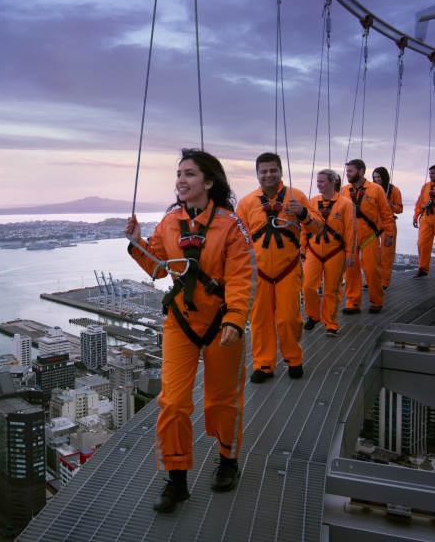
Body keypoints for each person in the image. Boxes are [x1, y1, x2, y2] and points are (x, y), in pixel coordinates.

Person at [125, 148, 255, 513]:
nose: (181, 180)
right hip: (181, 323)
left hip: (221, 324)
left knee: (220, 400)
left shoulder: (231, 226)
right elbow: (158, 269)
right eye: (179, 174)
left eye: (190, 174)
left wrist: (234, 320)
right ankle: (176, 478)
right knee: (173, 402)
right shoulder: (169, 224)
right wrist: (136, 243)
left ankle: (227, 460)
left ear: (209, 182)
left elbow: (243, 278)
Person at [235, 152, 320, 383]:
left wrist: (302, 213)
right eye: (264, 171)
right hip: (258, 272)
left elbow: (318, 228)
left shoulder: (297, 197)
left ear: (281, 172)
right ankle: (264, 364)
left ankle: (293, 358)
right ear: (257, 174)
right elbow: (238, 238)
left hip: (288, 269)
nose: (269, 175)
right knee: (260, 320)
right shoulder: (246, 203)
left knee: (288, 319)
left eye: (273, 170)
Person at [301, 169, 355, 336]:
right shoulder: (312, 202)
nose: (318, 184)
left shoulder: (345, 204)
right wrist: (302, 248)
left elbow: (350, 231)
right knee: (308, 286)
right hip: (313, 250)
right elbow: (304, 228)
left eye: (322, 181)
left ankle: (330, 323)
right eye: (317, 181)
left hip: (335, 251)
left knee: (331, 289)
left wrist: (350, 254)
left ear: (333, 182)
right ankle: (313, 315)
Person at [341, 159, 395, 313]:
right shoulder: (344, 191)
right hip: (350, 238)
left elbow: (386, 213)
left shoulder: (376, 190)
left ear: (361, 171)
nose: (347, 174)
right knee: (350, 272)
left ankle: (376, 301)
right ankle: (353, 303)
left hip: (369, 236)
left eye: (350, 171)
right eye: (347, 171)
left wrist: (389, 233)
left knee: (372, 270)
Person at [372, 167, 403, 289]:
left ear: (384, 177)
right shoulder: (372, 190)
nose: (376, 179)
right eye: (374, 177)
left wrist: (390, 205)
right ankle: (372, 280)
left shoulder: (394, 190)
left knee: (386, 254)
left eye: (379, 177)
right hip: (373, 223)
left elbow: (400, 209)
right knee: (372, 254)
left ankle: (384, 281)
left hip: (388, 222)